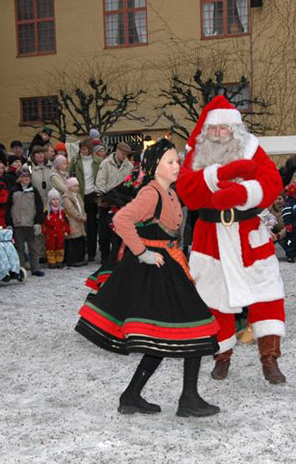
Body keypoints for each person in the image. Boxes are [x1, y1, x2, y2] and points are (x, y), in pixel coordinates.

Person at [75, 139, 221, 417]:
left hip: (169, 266)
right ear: (154, 166)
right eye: (170, 162)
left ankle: (133, 395)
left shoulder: (169, 193)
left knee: (164, 335)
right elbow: (122, 221)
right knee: (197, 326)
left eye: (177, 161)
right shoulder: (151, 194)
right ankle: (187, 399)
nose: (176, 166)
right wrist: (141, 252)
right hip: (157, 270)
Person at [175, 95, 286, 384]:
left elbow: (272, 182)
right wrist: (217, 176)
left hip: (248, 233)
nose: (218, 134)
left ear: (235, 129)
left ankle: (270, 359)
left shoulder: (251, 149)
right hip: (210, 238)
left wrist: (243, 193)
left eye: (224, 129)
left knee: (267, 295)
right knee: (214, 300)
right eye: (213, 129)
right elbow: (187, 191)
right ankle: (222, 356)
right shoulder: (196, 154)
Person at [95, 142, 133, 264]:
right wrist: (103, 196)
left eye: (126, 154)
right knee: (104, 230)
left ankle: (119, 254)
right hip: (107, 200)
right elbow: (100, 181)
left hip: (121, 202)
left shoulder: (129, 166)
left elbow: (130, 183)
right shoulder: (106, 163)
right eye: (122, 153)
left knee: (120, 231)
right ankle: (105, 255)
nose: (124, 156)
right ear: (117, 151)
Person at [69, 138, 102, 262]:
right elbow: (70, 175)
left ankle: (92, 252)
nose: (83, 151)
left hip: (93, 194)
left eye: (85, 149)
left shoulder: (98, 161)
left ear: (90, 149)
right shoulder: (76, 161)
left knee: (92, 224)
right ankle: (82, 252)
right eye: (81, 149)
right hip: (80, 194)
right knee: (81, 224)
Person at [7, 168, 44, 277]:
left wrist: (38, 222)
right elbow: (9, 207)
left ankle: (35, 268)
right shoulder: (14, 191)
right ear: (19, 179)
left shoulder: (34, 191)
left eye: (28, 176)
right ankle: (20, 268)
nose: (26, 178)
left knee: (33, 247)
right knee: (19, 248)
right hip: (17, 223)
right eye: (23, 176)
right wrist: (9, 223)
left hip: (31, 222)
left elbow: (39, 207)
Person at [42, 189, 70, 268]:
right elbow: (43, 223)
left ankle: (59, 260)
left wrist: (67, 230)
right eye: (53, 199)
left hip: (60, 233)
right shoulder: (46, 212)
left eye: (57, 199)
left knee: (60, 247)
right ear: (50, 201)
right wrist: (44, 231)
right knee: (50, 247)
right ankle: (51, 261)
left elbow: (66, 222)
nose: (56, 201)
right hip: (50, 234)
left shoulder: (62, 212)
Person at [63, 177, 87, 267]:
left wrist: (84, 215)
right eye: (74, 186)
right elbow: (70, 209)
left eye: (77, 186)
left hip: (80, 220)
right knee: (74, 239)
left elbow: (82, 206)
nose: (77, 188)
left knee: (80, 239)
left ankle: (80, 258)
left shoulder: (78, 196)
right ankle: (73, 259)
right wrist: (79, 216)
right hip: (73, 220)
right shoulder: (66, 197)